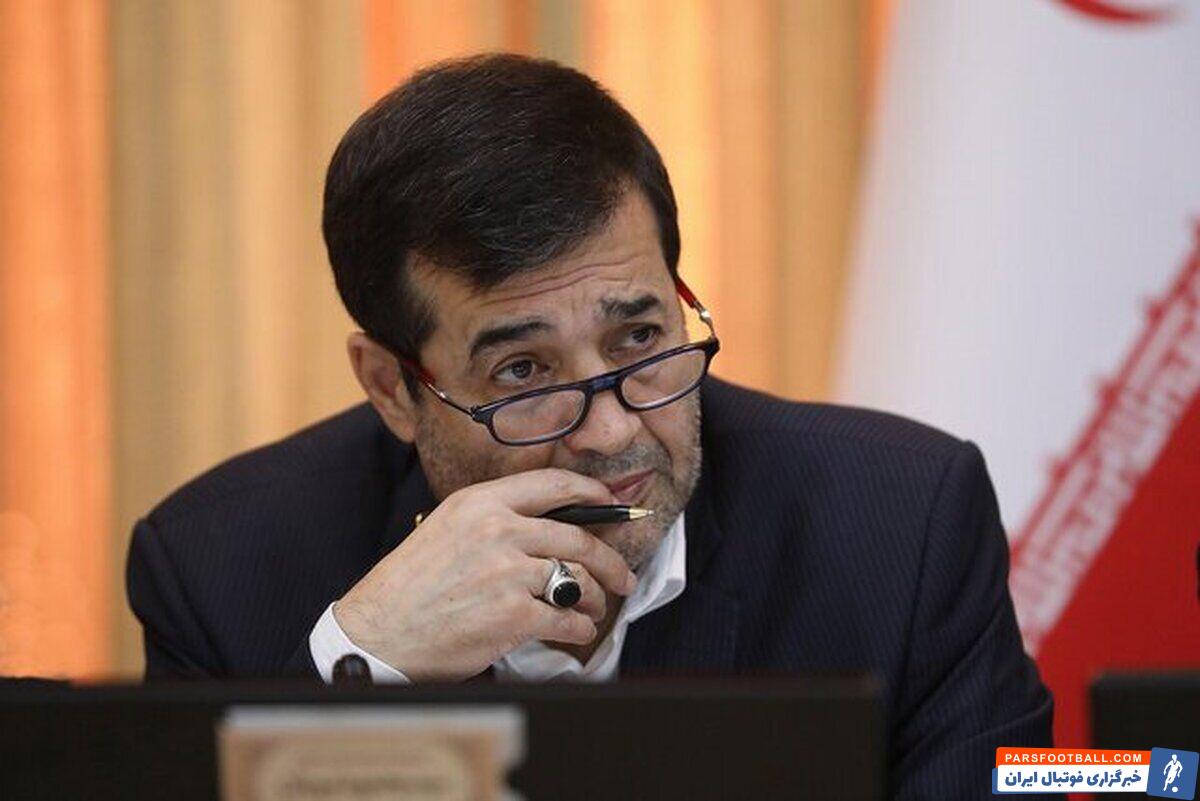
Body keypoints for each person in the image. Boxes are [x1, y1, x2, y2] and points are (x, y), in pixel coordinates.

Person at [126, 53, 1052, 798]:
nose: (610, 432)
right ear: (393, 387)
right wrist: (360, 668)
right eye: (523, 371)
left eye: (639, 337)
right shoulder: (221, 570)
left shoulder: (902, 522)